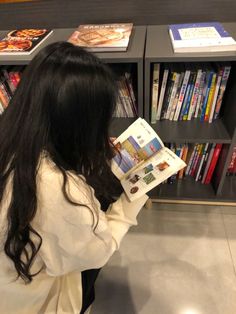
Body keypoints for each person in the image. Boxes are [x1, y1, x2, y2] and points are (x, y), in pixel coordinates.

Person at [0, 41, 148, 314]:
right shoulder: (55, 188)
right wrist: (129, 204)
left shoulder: (11, 137)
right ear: (76, 124)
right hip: (38, 301)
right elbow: (96, 252)